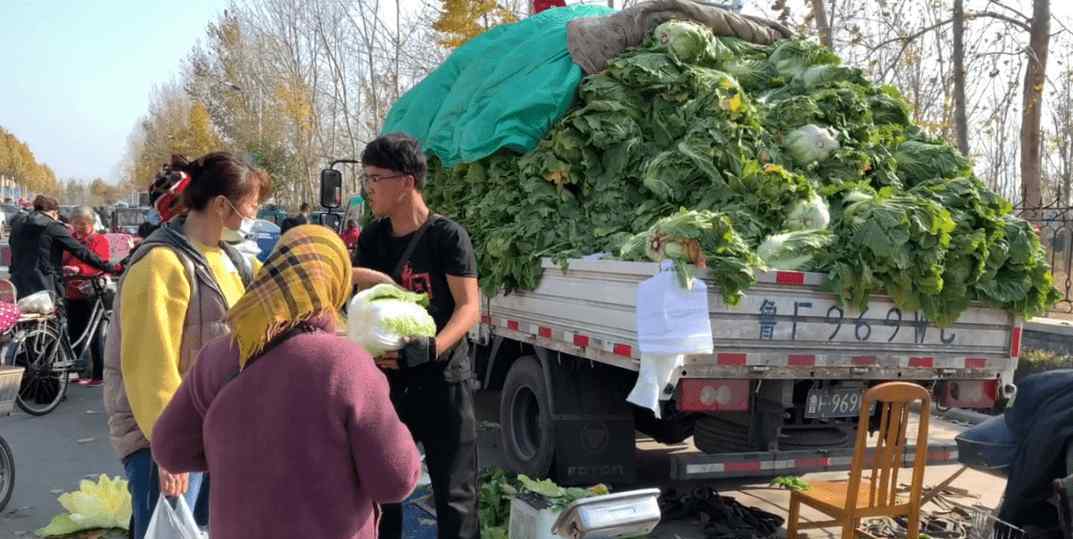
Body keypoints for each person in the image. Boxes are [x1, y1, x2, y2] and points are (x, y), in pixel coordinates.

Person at [153, 225, 420, 539]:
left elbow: (170, 449)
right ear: (335, 284)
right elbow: (395, 481)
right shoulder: (345, 363)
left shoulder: (219, 355)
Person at [103, 152, 269, 539]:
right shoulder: (160, 264)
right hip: (164, 440)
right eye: (252, 204)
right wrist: (168, 449)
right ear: (221, 205)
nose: (255, 213)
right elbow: (150, 367)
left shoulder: (228, 258)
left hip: (212, 430)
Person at [351, 134, 481, 539]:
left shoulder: (447, 236)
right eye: (366, 177)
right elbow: (360, 298)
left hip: (444, 384)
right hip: (387, 387)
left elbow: (468, 307)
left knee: (455, 494)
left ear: (406, 182)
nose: (368, 187)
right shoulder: (372, 238)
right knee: (382, 491)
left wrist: (433, 348)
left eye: (375, 178)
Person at [9, 195, 118, 300]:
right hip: (45, 285)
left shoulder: (18, 223)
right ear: (54, 213)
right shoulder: (52, 226)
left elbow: (12, 248)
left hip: (18, 283)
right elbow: (80, 251)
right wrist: (110, 268)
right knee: (55, 317)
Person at [62, 206, 112, 387]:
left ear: (91, 223)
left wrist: (79, 269)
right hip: (72, 291)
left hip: (91, 292)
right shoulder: (69, 240)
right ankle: (77, 370)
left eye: (83, 224)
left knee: (95, 334)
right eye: (75, 223)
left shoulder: (99, 240)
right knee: (74, 331)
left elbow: (100, 263)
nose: (79, 227)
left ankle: (98, 374)